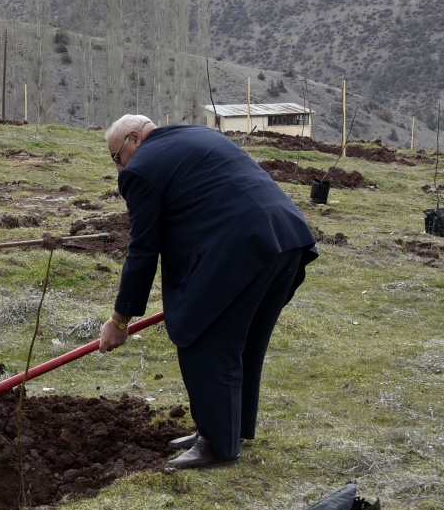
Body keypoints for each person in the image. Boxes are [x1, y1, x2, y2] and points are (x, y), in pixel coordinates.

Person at [97, 115, 317, 470]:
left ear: (134, 138)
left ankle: (216, 445)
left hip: (242, 248)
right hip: (286, 239)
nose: (119, 168)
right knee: (244, 343)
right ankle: (228, 429)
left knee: (202, 338)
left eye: (116, 158)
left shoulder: (141, 169)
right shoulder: (196, 136)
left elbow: (143, 249)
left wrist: (119, 320)